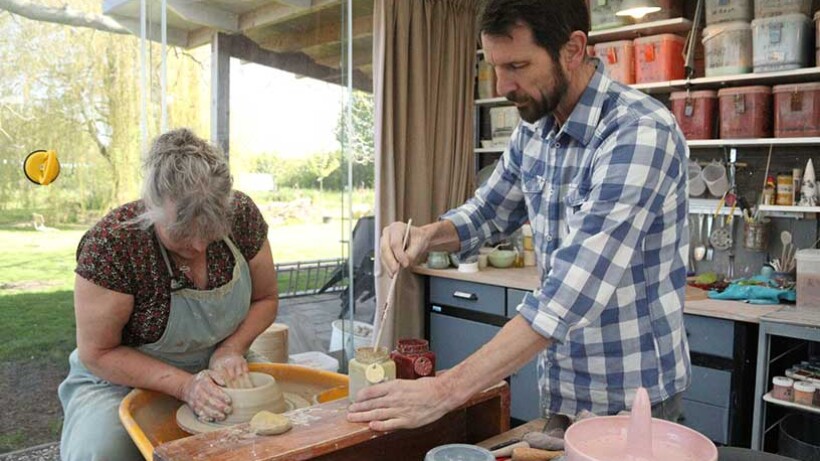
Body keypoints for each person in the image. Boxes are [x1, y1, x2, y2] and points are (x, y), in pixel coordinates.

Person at [348, 0, 690, 432]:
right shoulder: (535, 129)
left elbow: (570, 291)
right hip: (565, 392)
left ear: (573, 49)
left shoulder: (638, 132)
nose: (503, 85)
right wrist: (424, 235)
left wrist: (446, 390)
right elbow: (488, 212)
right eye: (494, 66)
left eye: (517, 65)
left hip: (633, 400)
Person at [58, 128, 278, 460]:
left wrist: (231, 349)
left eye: (211, 234)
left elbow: (266, 299)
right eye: (183, 234)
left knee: (281, 428)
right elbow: (98, 352)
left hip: (221, 364)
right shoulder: (113, 244)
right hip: (120, 379)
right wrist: (185, 386)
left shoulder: (243, 215)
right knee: (102, 450)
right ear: (152, 207)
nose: (199, 246)